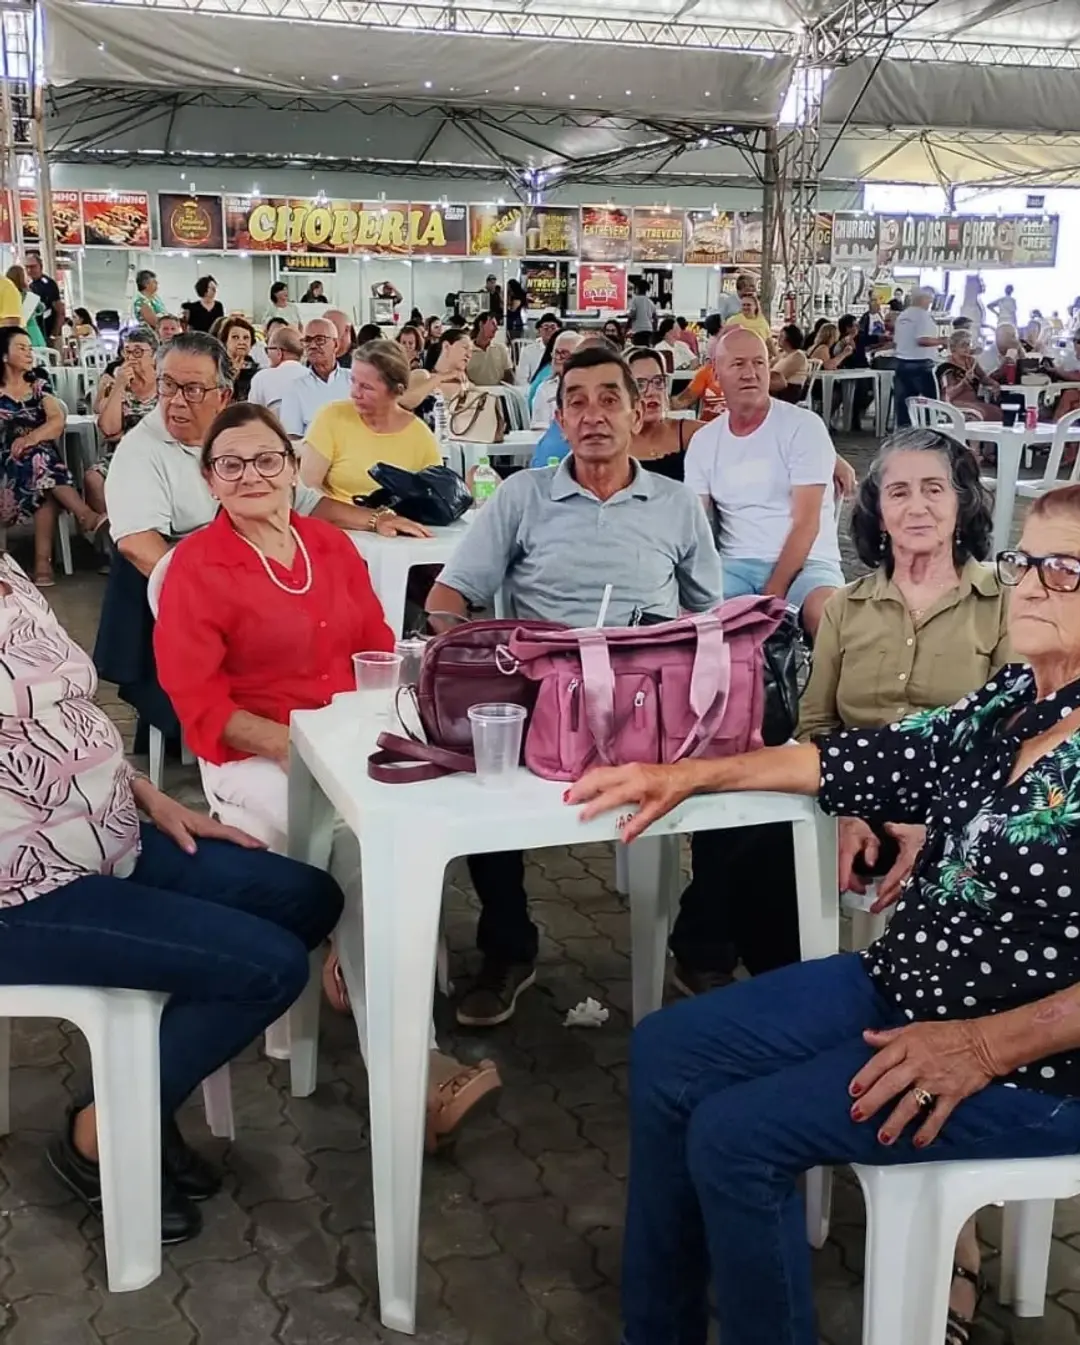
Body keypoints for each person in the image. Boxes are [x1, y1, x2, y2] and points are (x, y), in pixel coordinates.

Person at [568, 481, 1080, 1345]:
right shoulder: (1012, 701)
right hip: (906, 983)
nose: (1029, 582)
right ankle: (659, 1329)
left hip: (1031, 1059)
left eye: (1063, 568)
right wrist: (688, 774)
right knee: (665, 1047)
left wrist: (984, 1046)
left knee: (735, 1138)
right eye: (1026, 559)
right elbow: (858, 757)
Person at [154, 403, 500, 1151]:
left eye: (268, 459)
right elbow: (200, 705)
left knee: (427, 822)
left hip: (346, 742)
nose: (252, 475)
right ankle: (413, 1070)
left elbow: (376, 649)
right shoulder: (196, 568)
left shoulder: (329, 544)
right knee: (361, 858)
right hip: (253, 759)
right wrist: (302, 745)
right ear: (209, 479)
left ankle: (354, 966)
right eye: (232, 464)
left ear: (292, 466)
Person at [0, 545, 344, 1245]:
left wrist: (147, 792)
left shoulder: (7, 573)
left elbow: (61, 714)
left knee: (306, 897)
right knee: (267, 965)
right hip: (25, 892)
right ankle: (98, 1134)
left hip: (117, 836)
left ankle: (141, 1094)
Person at [425, 344, 724, 1026]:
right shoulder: (522, 496)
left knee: (738, 790)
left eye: (609, 398)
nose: (593, 415)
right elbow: (449, 598)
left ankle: (700, 944)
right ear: (558, 416)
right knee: (477, 777)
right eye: (577, 401)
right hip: (539, 700)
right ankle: (509, 944)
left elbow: (707, 617)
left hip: (647, 707)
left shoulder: (676, 504)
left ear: (638, 409)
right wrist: (469, 654)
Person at [668, 429, 1007, 1022]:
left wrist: (936, 819)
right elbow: (817, 722)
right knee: (748, 828)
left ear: (963, 505)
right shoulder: (846, 607)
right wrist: (845, 808)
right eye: (898, 492)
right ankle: (783, 988)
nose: (917, 506)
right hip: (857, 786)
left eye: (934, 489)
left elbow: (1011, 736)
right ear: (878, 513)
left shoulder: (1003, 602)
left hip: (961, 798)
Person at [105, 332, 426, 583]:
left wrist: (375, 519)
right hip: (171, 591)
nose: (176, 401)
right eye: (168, 385)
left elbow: (300, 500)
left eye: (192, 389)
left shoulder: (237, 436)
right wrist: (206, 595)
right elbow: (138, 545)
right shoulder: (141, 449)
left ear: (224, 396)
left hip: (246, 569)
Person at [685, 327, 845, 637]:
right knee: (684, 617)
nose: (751, 373)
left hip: (808, 562)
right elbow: (695, 524)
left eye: (759, 363)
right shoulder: (705, 440)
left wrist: (770, 596)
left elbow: (807, 524)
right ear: (716, 373)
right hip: (735, 565)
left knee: (827, 615)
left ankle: (829, 687)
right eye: (739, 364)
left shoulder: (802, 426)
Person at [0, 326, 102, 584]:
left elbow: (57, 420)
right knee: (43, 470)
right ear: (3, 356)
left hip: (38, 464)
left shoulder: (39, 385)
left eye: (29, 348)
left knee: (40, 468)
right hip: (4, 465)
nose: (29, 353)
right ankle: (82, 516)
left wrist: (30, 438)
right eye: (21, 348)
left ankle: (42, 565)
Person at [300, 339, 442, 502]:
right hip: (334, 522)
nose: (354, 393)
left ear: (397, 391)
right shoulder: (331, 417)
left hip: (397, 524)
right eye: (353, 381)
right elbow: (308, 490)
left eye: (366, 387)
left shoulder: (420, 437)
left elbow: (436, 499)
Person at [87, 326, 159, 519]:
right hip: (123, 454)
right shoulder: (118, 386)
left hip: (158, 453)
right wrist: (119, 385)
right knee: (93, 478)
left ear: (154, 356)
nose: (132, 357)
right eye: (127, 351)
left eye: (138, 352)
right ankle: (116, 530)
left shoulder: (165, 386)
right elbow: (109, 430)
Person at [625, 347, 704, 481]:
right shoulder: (612, 444)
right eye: (640, 385)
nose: (651, 392)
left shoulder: (692, 434)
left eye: (658, 381)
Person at [278, 317, 350, 438]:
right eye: (307, 340)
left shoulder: (355, 381)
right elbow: (292, 437)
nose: (312, 346)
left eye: (319, 340)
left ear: (336, 344)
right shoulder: (295, 388)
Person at [893, 287, 944, 428]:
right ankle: (929, 431)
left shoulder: (903, 315)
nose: (930, 303)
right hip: (921, 364)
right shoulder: (923, 316)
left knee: (904, 403)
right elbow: (923, 340)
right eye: (930, 300)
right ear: (924, 299)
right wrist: (943, 341)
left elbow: (897, 340)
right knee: (929, 404)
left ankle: (904, 432)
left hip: (902, 362)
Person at [401, 329, 473, 419]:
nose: (469, 355)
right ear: (446, 346)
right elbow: (404, 401)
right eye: (465, 348)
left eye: (471, 351)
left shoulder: (468, 386)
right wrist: (442, 377)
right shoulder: (422, 376)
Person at [938, 329, 1002, 421]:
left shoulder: (971, 361)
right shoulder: (947, 366)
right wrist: (964, 381)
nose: (967, 348)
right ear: (953, 347)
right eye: (963, 345)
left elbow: (983, 377)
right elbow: (949, 394)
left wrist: (994, 383)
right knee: (978, 414)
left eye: (969, 344)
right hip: (954, 402)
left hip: (972, 401)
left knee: (996, 411)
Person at [248, 326, 307, 417]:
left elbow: (253, 416)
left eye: (268, 349)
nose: (267, 355)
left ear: (279, 352)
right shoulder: (313, 376)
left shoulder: (262, 378)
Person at [530, 330, 582, 430]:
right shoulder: (545, 388)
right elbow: (539, 428)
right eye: (556, 352)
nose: (558, 357)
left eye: (564, 353)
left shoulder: (589, 386)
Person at [216, 316, 258, 402]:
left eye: (246, 338)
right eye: (235, 337)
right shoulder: (215, 367)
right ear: (225, 341)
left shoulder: (256, 371)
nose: (241, 342)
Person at [26, 252, 63, 348]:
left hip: (47, 333)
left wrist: (53, 335)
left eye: (33, 266)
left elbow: (60, 311)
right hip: (32, 334)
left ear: (40, 266)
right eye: (27, 267)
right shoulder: (28, 285)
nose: (30, 270)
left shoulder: (48, 284)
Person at [516, 312, 561, 388]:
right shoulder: (528, 351)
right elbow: (521, 380)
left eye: (553, 328)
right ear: (539, 331)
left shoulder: (562, 350)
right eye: (546, 328)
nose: (550, 331)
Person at [467, 314, 513, 386]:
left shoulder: (501, 348)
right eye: (493, 324)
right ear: (481, 324)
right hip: (474, 392)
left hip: (498, 392)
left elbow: (509, 375)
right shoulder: (466, 350)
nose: (496, 328)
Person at [770, 324, 810, 401]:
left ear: (790, 339)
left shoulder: (798, 356)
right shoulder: (782, 354)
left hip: (790, 390)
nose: (778, 339)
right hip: (778, 388)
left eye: (781, 336)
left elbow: (780, 375)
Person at [7, 265, 45, 346]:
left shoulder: (7, 297)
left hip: (12, 333)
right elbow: (41, 308)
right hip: (32, 332)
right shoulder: (29, 297)